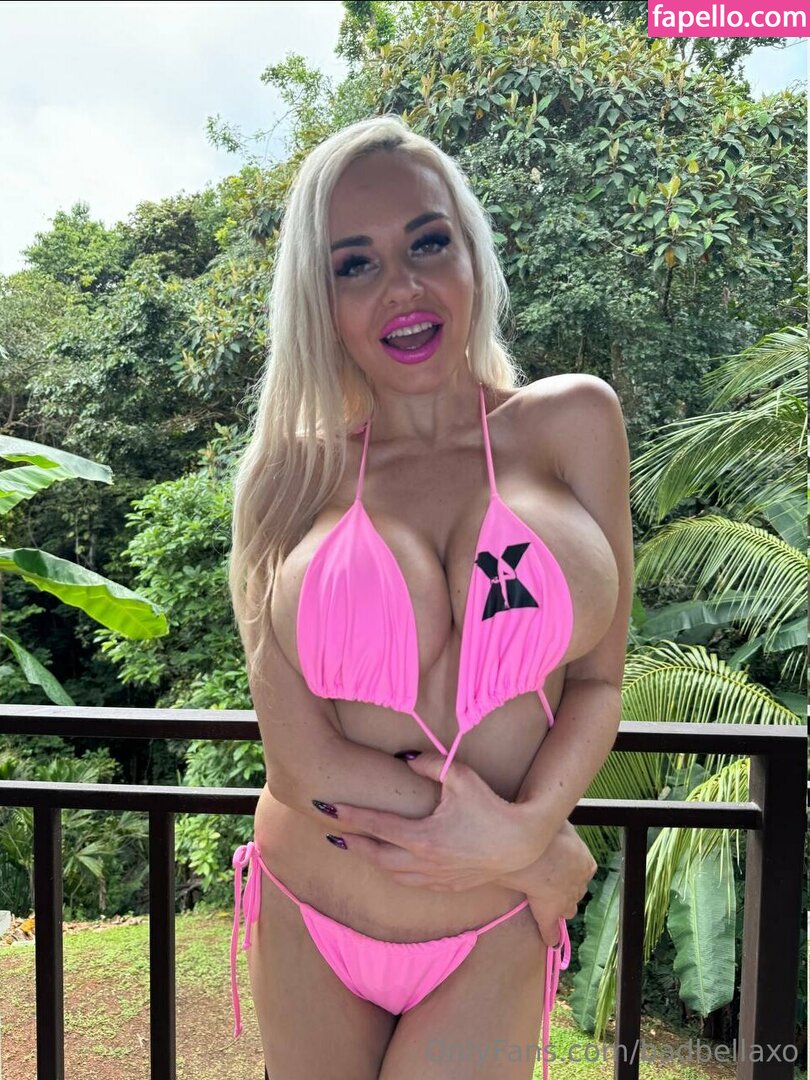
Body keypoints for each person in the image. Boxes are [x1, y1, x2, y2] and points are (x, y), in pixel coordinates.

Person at [226, 113, 633, 1080]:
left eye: (427, 243)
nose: (402, 288)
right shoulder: (287, 476)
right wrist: (531, 852)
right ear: (319, 299)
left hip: (490, 929)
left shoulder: (574, 424)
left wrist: (525, 832)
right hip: (311, 907)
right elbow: (298, 762)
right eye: (354, 264)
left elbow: (600, 683)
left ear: (471, 255)